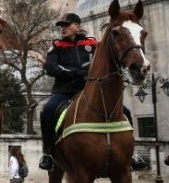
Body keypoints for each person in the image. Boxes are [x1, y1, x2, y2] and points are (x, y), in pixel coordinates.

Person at [39, 13, 145, 171]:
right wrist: (75, 72)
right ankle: (47, 153)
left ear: (77, 26)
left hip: (91, 90)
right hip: (65, 91)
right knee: (47, 111)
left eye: (67, 25)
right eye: (61, 26)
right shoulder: (56, 46)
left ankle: (131, 154)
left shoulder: (93, 44)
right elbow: (51, 67)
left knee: (126, 113)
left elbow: (106, 60)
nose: (63, 29)